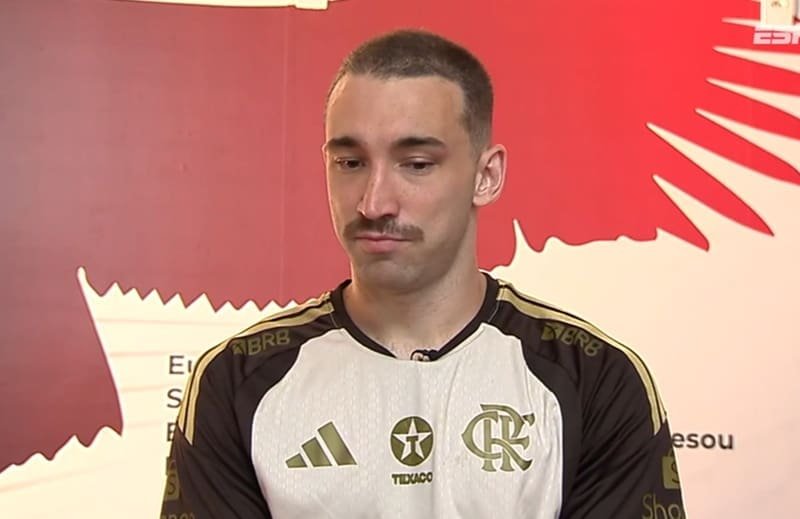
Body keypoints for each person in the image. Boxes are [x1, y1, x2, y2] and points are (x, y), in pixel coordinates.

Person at [161, 29, 685, 518]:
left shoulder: (595, 379)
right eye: (350, 163)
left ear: (486, 176)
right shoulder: (236, 382)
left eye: (416, 163)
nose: (373, 202)